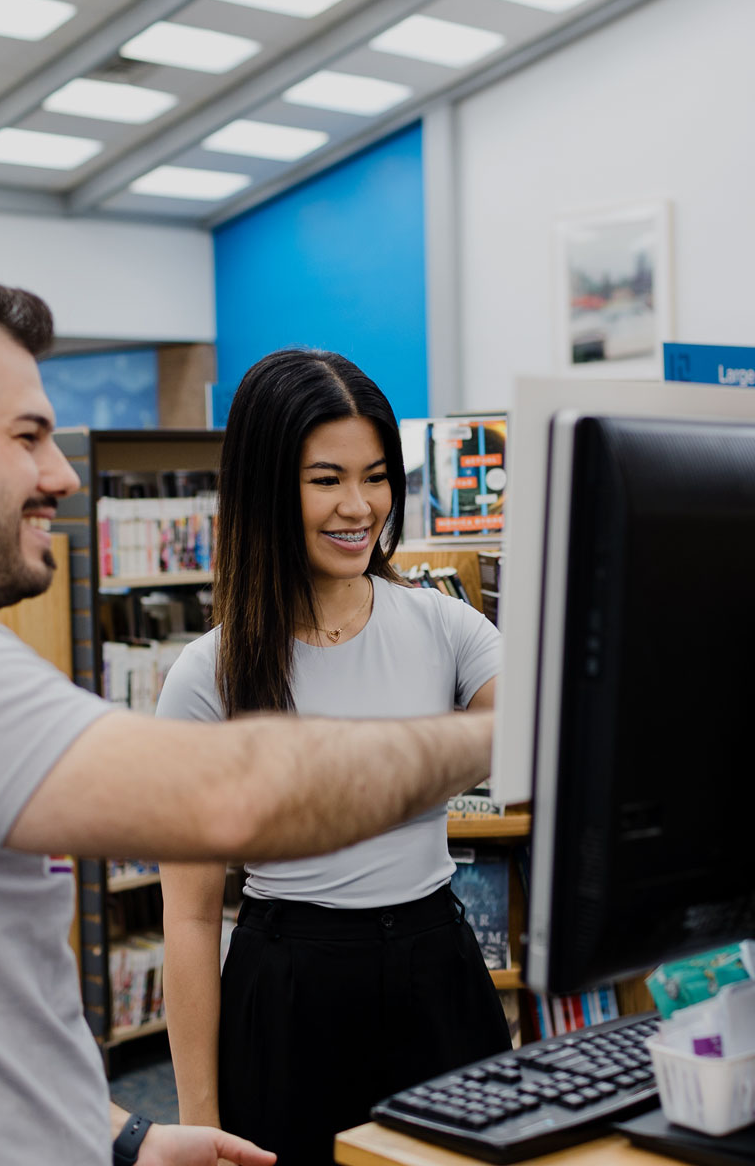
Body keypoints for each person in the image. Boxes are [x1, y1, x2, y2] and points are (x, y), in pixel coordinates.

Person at [0, 276, 496, 1166]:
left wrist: (125, 1138)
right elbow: (234, 800)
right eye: (28, 436)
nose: (64, 474)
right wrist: (496, 735)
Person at [157, 350, 512, 1166]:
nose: (360, 507)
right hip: (288, 993)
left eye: (377, 476)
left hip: (436, 972)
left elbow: (541, 737)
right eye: (326, 480)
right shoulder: (206, 676)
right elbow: (190, 916)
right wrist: (197, 1117)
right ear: (267, 486)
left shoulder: (446, 628)